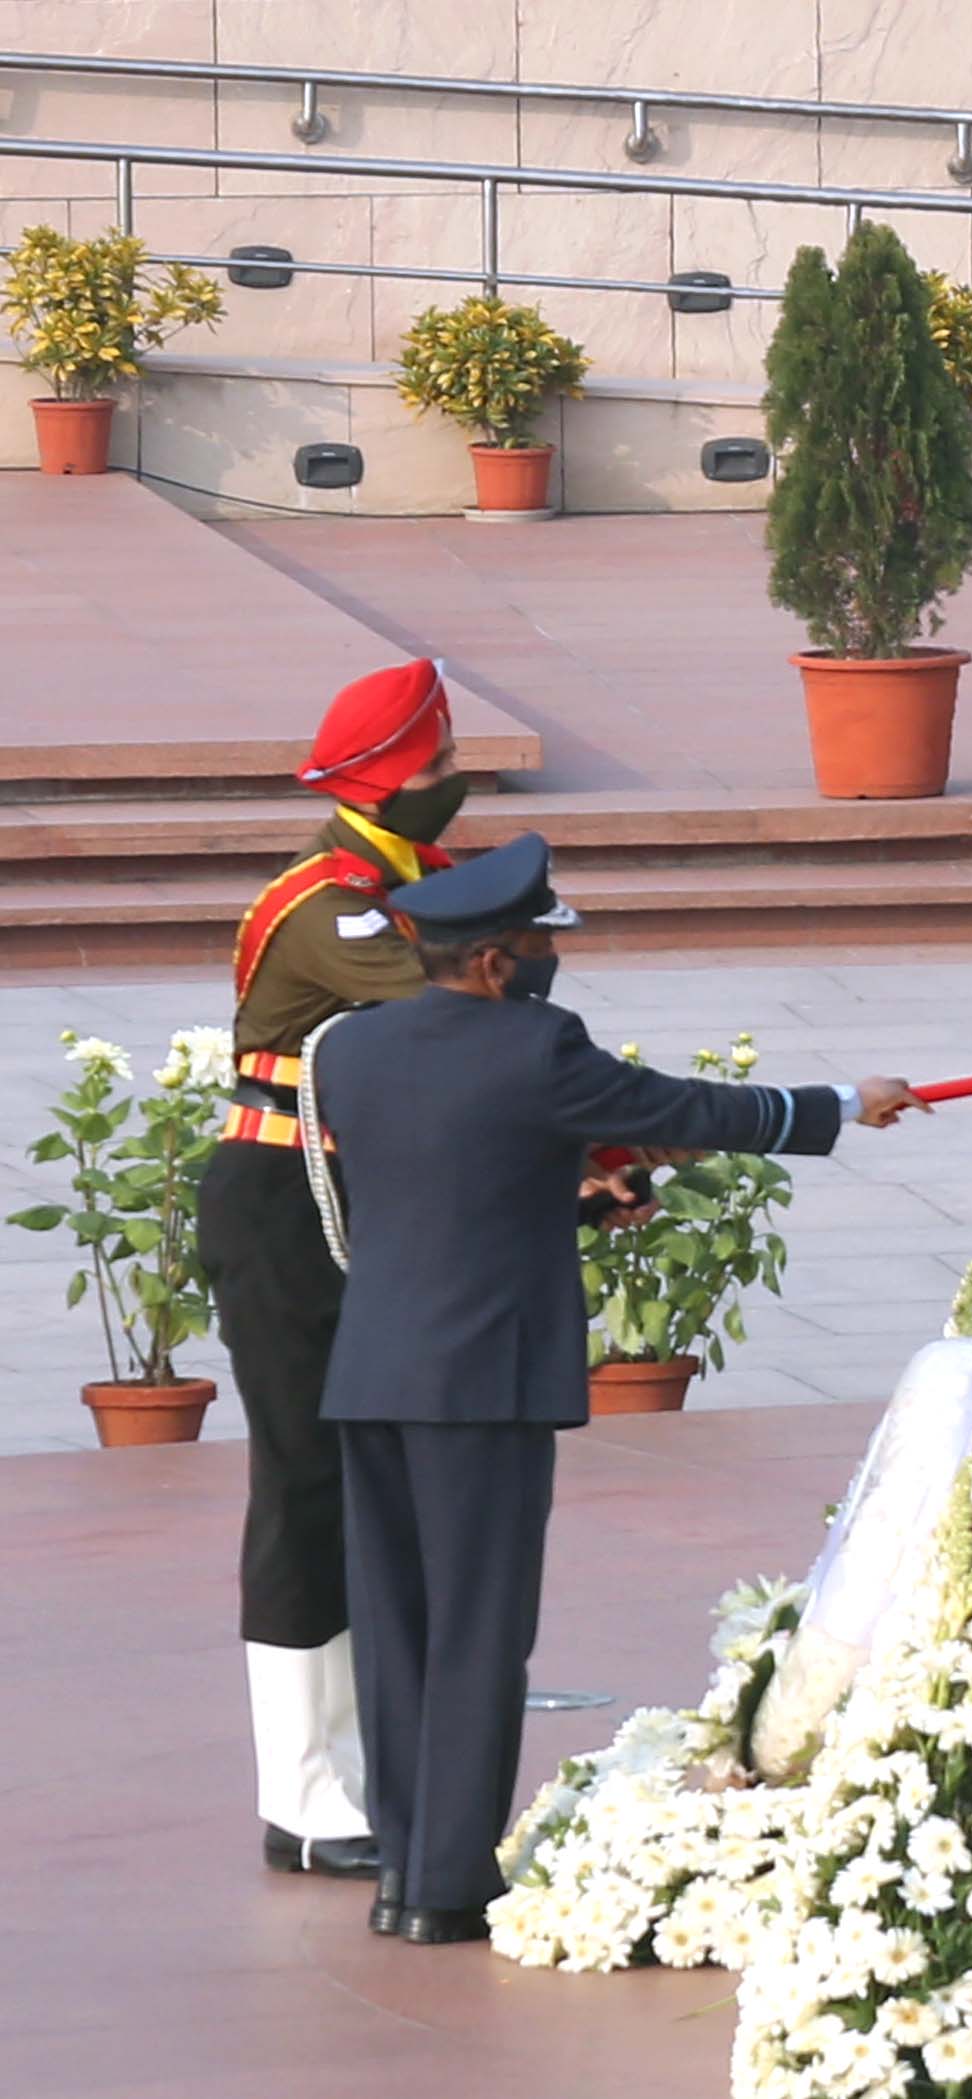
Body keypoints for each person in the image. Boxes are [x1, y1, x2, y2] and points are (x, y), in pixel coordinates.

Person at [303, 833, 924, 1943]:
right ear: (494, 961)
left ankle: (405, 1862)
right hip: (482, 1378)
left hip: (375, 1370)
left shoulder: (350, 1048)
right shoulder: (539, 1046)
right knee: (479, 1630)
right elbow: (692, 1109)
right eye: (538, 941)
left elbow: (451, 1184)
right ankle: (449, 1884)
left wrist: (586, 1192)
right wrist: (844, 1100)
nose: (548, 958)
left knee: (395, 1624)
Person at [189, 659, 469, 1887]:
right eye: (438, 770)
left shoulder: (420, 878)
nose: (454, 787)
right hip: (283, 1206)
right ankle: (302, 1792)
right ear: (380, 781)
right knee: (305, 1482)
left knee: (374, 1480)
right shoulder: (334, 902)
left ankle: (359, 1764)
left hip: (364, 1195)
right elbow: (452, 1020)